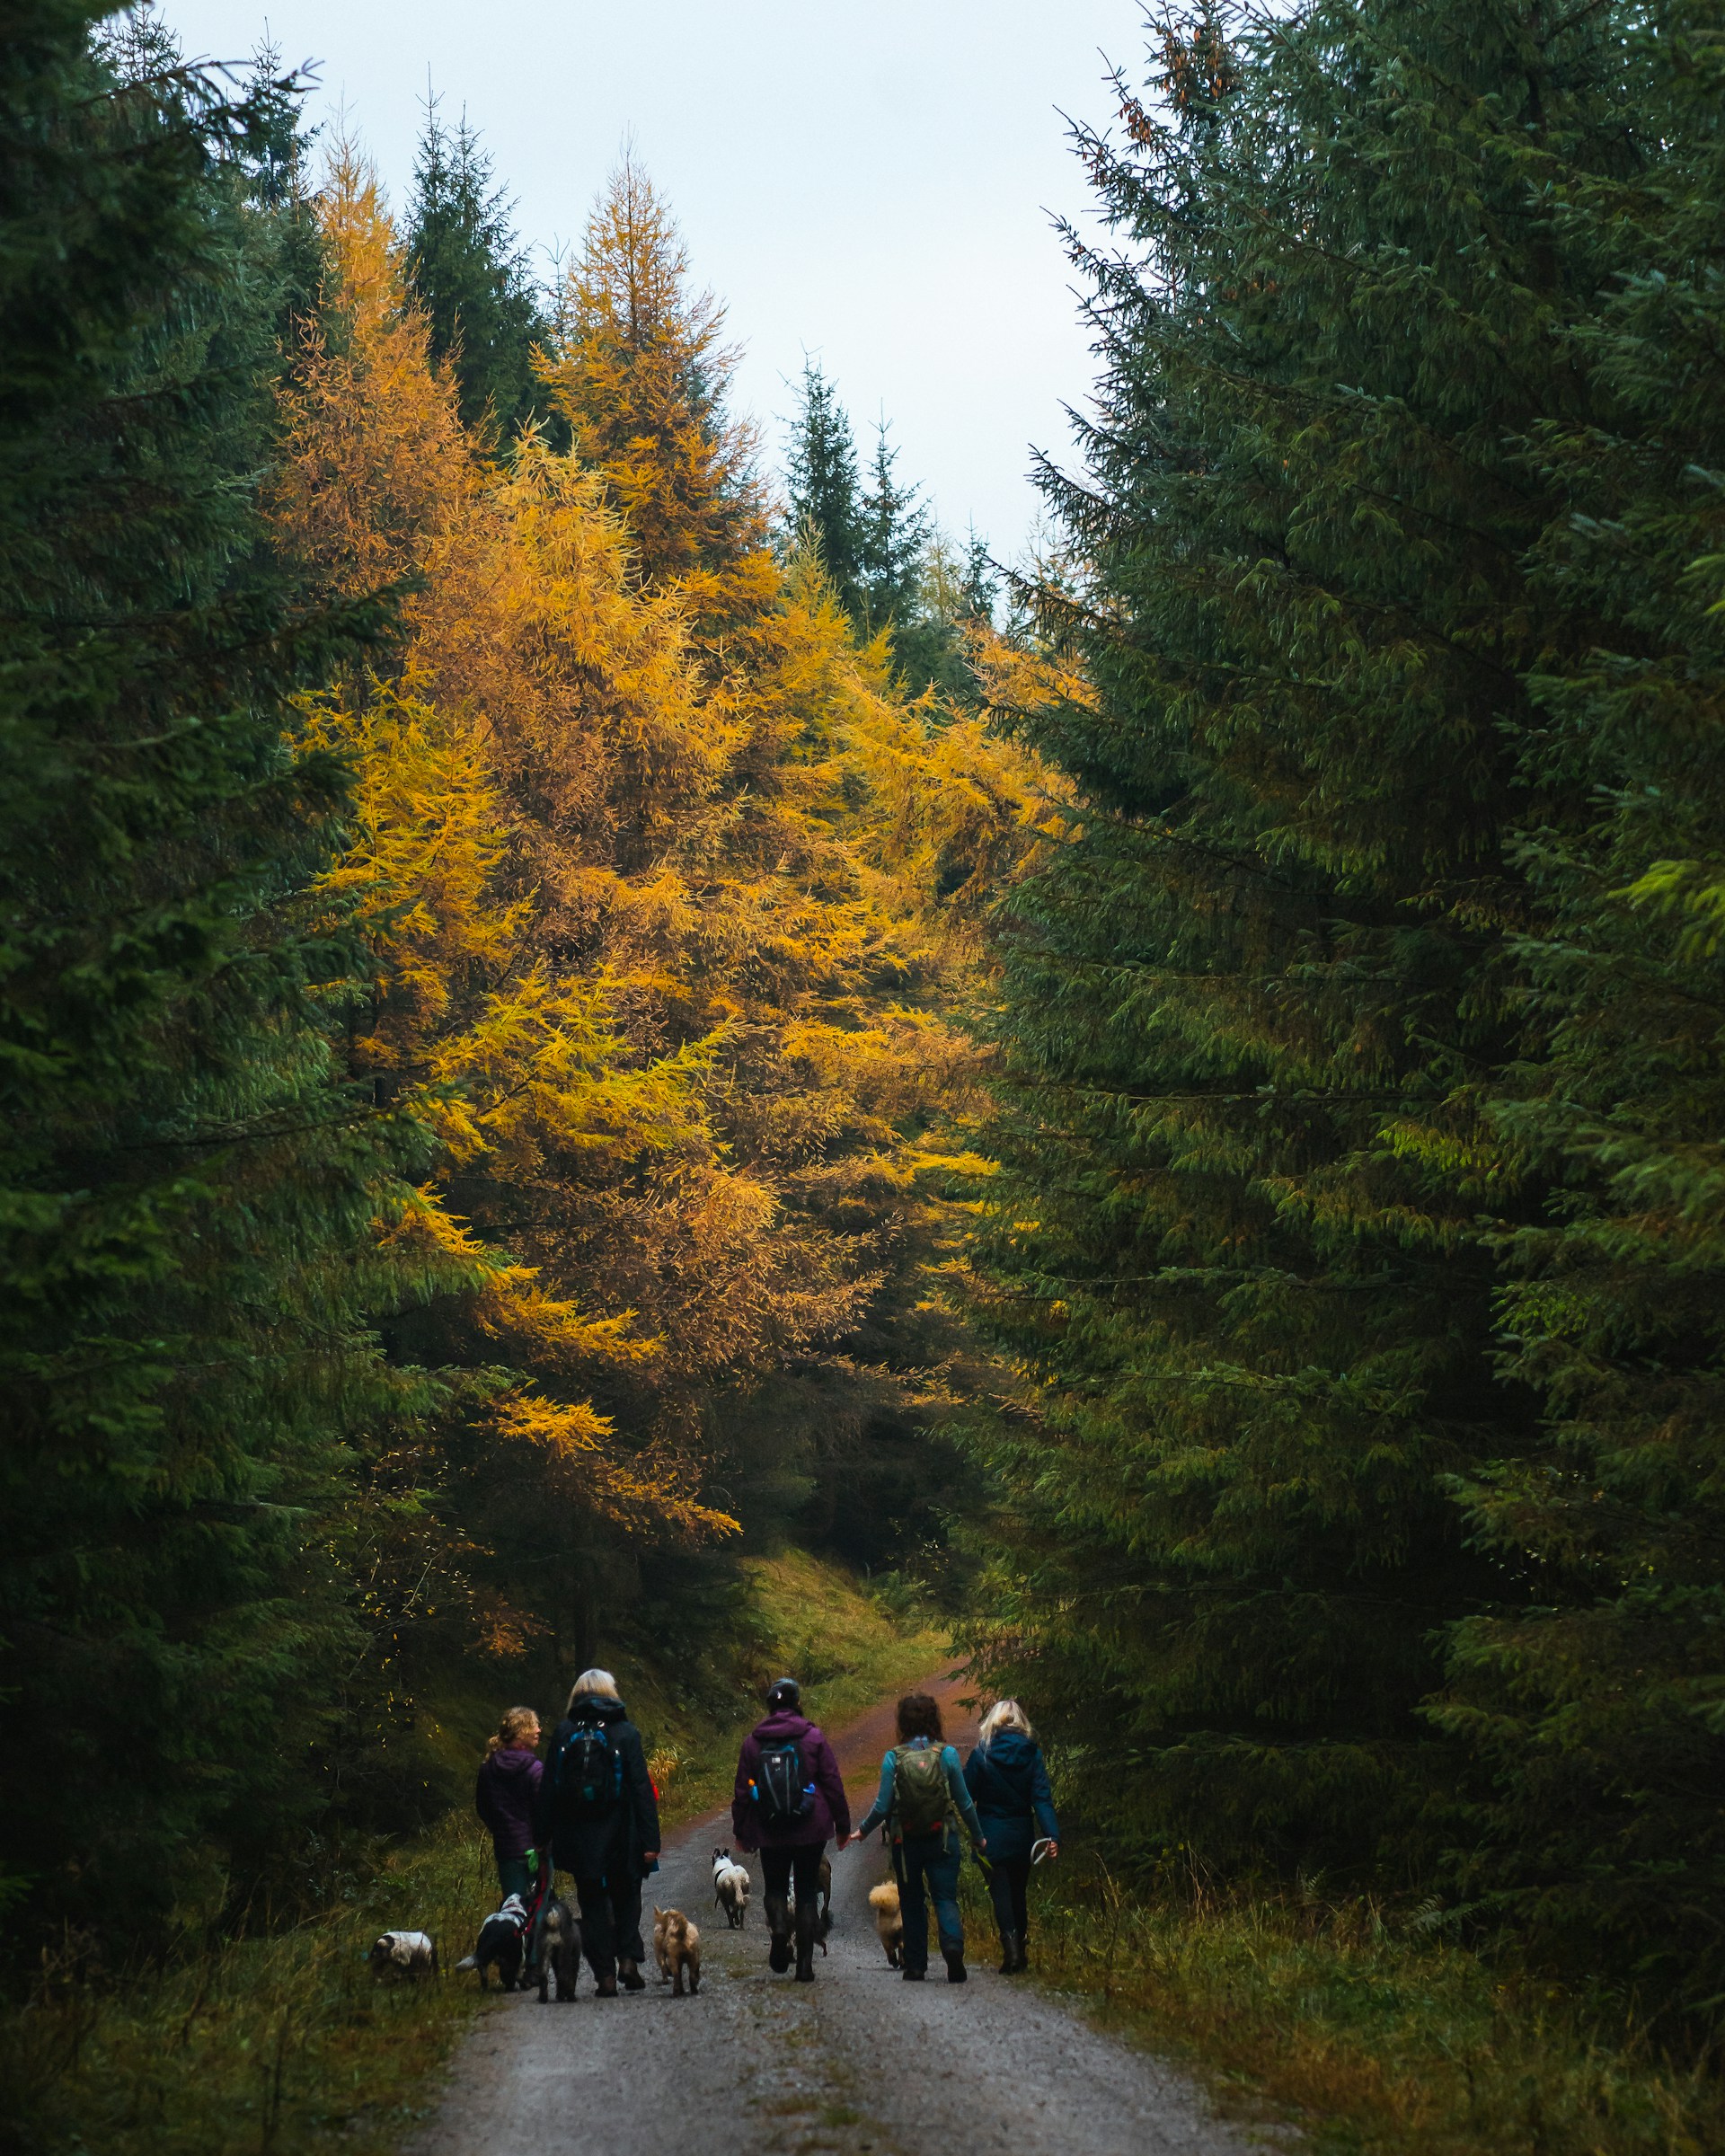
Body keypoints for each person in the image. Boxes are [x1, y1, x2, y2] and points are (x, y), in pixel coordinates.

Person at [534, 1668, 659, 1998]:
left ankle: (604, 1977)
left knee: (591, 1906)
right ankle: (628, 1959)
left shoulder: (563, 1733)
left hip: (577, 1836)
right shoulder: (625, 1732)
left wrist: (541, 1836)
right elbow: (641, 1788)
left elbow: (549, 1789)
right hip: (623, 1832)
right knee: (627, 1897)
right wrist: (650, 1841)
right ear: (610, 1693)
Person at [854, 1692, 986, 1984]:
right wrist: (978, 1836)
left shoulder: (894, 1758)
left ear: (903, 1722)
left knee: (912, 1902)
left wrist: (863, 1830)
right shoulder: (947, 1754)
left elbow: (883, 1805)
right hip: (943, 1838)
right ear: (934, 1719)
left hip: (906, 1843)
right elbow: (964, 1803)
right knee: (945, 1898)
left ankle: (915, 1965)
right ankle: (952, 1948)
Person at [732, 1676, 851, 1982]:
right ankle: (805, 1966)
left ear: (770, 1706)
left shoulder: (753, 1742)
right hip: (810, 1828)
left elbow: (743, 1791)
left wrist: (742, 1831)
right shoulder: (813, 1738)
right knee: (807, 1891)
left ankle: (780, 1933)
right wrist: (842, 1825)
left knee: (774, 1887)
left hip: (769, 1829)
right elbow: (832, 1784)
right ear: (798, 1703)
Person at [963, 1698, 1059, 1974]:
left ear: (992, 1721)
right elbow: (1042, 1799)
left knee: (1001, 1893)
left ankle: (1011, 1951)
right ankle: (1022, 1951)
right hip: (1022, 1837)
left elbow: (967, 1795)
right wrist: (1052, 1835)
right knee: (1019, 1893)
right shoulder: (1032, 1754)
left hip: (989, 1836)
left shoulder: (982, 1753)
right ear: (1020, 1723)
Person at [473, 1705, 544, 1901]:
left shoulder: (488, 1767)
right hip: (535, 1851)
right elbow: (543, 1812)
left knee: (513, 1907)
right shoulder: (535, 1770)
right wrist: (541, 1841)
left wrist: (501, 1829)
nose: (539, 1730)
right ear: (521, 1733)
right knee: (537, 1907)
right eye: (534, 1726)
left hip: (506, 1849)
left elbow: (483, 1807)